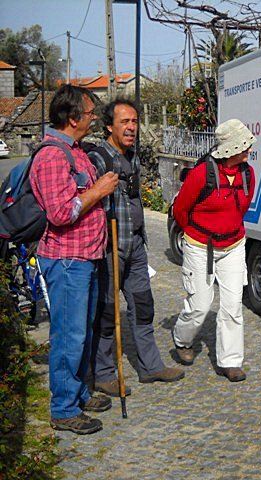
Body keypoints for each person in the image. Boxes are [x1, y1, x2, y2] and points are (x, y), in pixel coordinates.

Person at [29, 85, 119, 435]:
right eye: (90, 112)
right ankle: (63, 408)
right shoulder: (53, 157)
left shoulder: (76, 151)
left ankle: (78, 393)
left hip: (86, 257)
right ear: (71, 117)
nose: (94, 118)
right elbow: (60, 212)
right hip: (67, 260)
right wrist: (98, 191)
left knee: (82, 332)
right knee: (69, 335)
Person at [88, 98, 185, 396]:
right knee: (107, 312)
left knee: (143, 306)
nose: (132, 127)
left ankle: (150, 366)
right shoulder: (97, 159)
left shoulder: (133, 157)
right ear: (109, 126)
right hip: (109, 248)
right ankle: (104, 374)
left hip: (136, 246)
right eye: (125, 122)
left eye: (134, 121)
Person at [171, 119, 255, 382]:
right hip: (199, 247)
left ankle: (231, 361)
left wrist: (226, 230)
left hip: (233, 246)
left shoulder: (247, 174)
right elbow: (180, 210)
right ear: (231, 149)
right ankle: (182, 339)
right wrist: (196, 234)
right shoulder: (201, 175)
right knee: (200, 305)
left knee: (232, 306)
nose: (248, 151)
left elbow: (241, 208)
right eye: (244, 146)